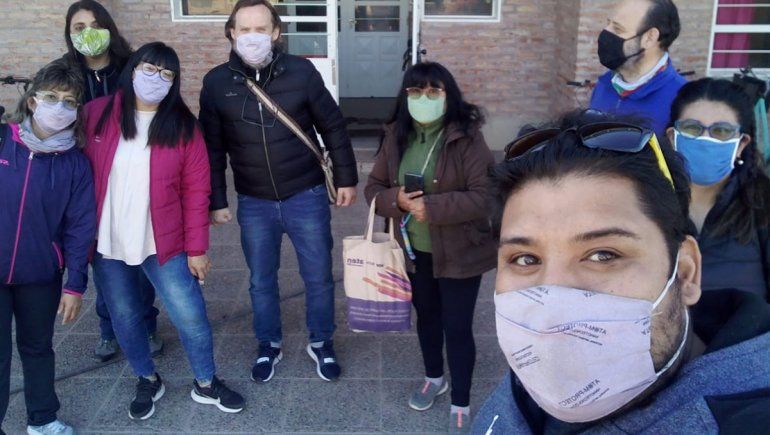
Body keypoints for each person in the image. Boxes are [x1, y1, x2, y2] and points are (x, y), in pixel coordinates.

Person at [471, 111, 770, 434]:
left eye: (603, 255)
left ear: (685, 273)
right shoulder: (526, 380)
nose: (552, 308)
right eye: (526, 259)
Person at [83, 42, 244, 420]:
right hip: (107, 245)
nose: (156, 79)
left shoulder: (183, 127)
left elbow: (196, 190)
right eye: (149, 69)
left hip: (164, 243)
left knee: (190, 315)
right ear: (132, 69)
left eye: (167, 74)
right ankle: (146, 377)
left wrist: (197, 248)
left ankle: (206, 382)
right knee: (124, 316)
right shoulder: (96, 115)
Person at [199, 0, 358, 383]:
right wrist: (217, 200)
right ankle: (268, 343)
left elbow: (333, 126)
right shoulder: (217, 83)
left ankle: (321, 342)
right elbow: (212, 149)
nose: (252, 37)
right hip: (254, 201)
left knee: (318, 276)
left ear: (275, 33)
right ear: (232, 33)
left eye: (261, 29)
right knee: (260, 280)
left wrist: (347, 178)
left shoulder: (301, 72)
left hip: (306, 194)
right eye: (244, 29)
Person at [365, 62, 496, 432]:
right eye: (415, 92)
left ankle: (461, 398)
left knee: (456, 327)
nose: (424, 99)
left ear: (448, 95)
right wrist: (398, 200)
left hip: (459, 253)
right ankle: (434, 378)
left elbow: (486, 196)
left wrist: (432, 207)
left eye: (433, 92)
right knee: (428, 319)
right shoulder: (396, 135)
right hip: (411, 253)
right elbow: (372, 188)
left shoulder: (467, 137)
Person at [63, 0, 163, 363]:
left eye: (95, 23)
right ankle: (109, 329)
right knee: (104, 259)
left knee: (138, 256)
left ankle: (146, 323)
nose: (87, 32)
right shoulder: (64, 73)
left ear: (109, 27)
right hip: (86, 181)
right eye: (78, 27)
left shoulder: (131, 67)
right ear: (69, 33)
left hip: (130, 175)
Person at [0, 60, 95, 435]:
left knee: (38, 348)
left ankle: (42, 418)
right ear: (33, 100)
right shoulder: (4, 140)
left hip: (40, 274)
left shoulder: (75, 164)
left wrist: (75, 284)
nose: (59, 107)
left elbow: (80, 227)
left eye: (69, 101)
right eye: (51, 97)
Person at [668, 78, 770, 335]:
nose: (706, 139)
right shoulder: (645, 203)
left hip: (744, 361)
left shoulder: (764, 204)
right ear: (672, 136)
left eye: (721, 131)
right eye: (692, 128)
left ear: (742, 144)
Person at [590, 0, 686, 137]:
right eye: (608, 23)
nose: (605, 33)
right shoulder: (604, 85)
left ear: (649, 38)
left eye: (618, 29)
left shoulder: (682, 100)